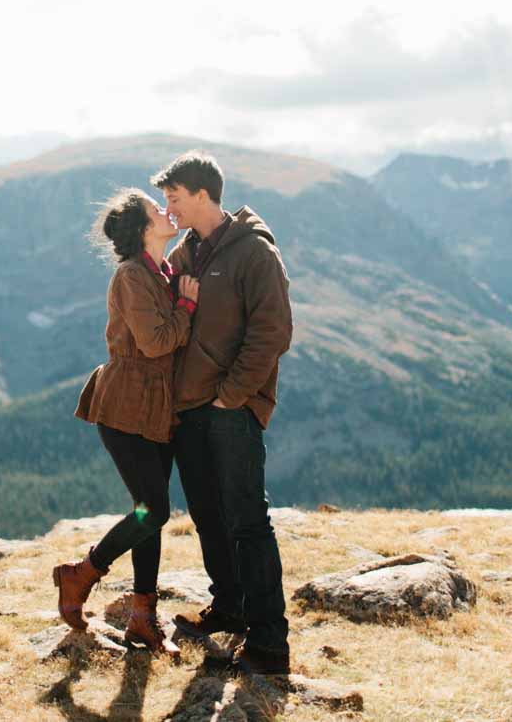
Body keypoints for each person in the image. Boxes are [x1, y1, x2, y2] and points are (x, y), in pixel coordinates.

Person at [153, 150, 294, 676]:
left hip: (231, 408)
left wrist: (233, 395)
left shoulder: (254, 253)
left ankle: (269, 644)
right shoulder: (188, 251)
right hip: (190, 409)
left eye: (174, 198)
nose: (169, 209)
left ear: (203, 195)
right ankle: (229, 608)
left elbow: (273, 330)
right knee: (210, 516)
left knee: (247, 522)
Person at [53, 188, 200, 657]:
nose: (167, 211)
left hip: (157, 409)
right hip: (124, 408)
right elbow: (156, 342)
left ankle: (142, 619)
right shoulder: (133, 276)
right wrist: (186, 308)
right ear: (142, 228)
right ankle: (83, 572)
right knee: (153, 511)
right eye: (157, 210)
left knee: (147, 514)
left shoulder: (164, 272)